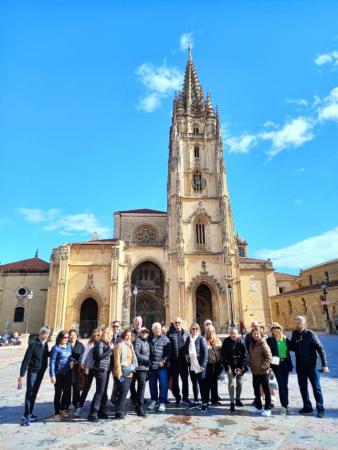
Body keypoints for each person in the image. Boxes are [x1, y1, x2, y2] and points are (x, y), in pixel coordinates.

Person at [289, 316, 329, 418]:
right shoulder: (295, 333)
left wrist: (325, 365)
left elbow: (320, 349)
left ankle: (320, 409)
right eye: (295, 322)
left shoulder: (310, 334)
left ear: (304, 323)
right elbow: (292, 347)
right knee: (303, 388)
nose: (296, 324)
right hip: (300, 367)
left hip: (312, 366)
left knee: (316, 388)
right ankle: (307, 406)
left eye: (298, 323)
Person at [18, 326, 50, 426]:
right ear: (40, 334)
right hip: (33, 371)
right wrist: (22, 374)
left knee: (34, 392)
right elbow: (26, 358)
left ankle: (30, 413)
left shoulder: (45, 344)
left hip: (40, 372)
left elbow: (45, 355)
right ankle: (26, 416)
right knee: (30, 392)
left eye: (47, 334)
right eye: (44, 334)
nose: (46, 336)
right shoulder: (33, 343)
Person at [88, 327, 114, 422]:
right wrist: (110, 350)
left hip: (106, 370)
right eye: (111, 335)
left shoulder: (107, 344)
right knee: (99, 392)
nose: (112, 337)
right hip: (100, 370)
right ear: (106, 335)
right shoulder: (100, 343)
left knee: (103, 392)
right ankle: (92, 413)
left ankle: (101, 411)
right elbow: (98, 357)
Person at [267, 323, 293, 415]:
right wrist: (268, 366)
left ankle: (285, 405)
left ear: (280, 329)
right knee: (281, 385)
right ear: (272, 331)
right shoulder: (269, 340)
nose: (276, 330)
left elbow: (293, 347)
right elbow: (267, 353)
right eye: (274, 328)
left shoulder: (285, 339)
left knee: (285, 386)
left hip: (285, 364)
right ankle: (284, 406)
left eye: (277, 328)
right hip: (275, 365)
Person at [113, 328, 138, 419]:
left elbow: (132, 359)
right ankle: (118, 413)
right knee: (122, 393)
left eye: (130, 336)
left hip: (129, 373)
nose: (129, 337)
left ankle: (120, 411)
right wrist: (119, 374)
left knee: (124, 392)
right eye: (127, 335)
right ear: (123, 336)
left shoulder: (130, 346)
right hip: (122, 374)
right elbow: (117, 361)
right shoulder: (119, 346)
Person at [221, 327, 247, 412]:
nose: (233, 335)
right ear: (229, 334)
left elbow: (245, 356)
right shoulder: (226, 342)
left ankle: (238, 399)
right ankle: (232, 402)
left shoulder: (241, 341)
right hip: (230, 366)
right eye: (231, 333)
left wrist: (241, 368)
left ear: (237, 334)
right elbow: (223, 356)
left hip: (240, 366)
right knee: (231, 384)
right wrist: (227, 368)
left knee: (240, 384)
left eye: (234, 333)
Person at [184, 323, 208, 412]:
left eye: (196, 329)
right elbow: (186, 349)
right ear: (190, 330)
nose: (194, 330)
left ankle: (204, 402)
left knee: (202, 384)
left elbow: (205, 353)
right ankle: (196, 400)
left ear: (198, 330)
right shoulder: (189, 339)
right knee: (194, 384)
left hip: (199, 365)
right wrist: (186, 355)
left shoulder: (201, 339)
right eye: (193, 329)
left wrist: (203, 365)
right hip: (192, 365)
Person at [50, 330, 73, 421]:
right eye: (65, 337)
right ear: (60, 338)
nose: (66, 339)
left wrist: (72, 361)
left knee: (66, 392)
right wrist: (52, 375)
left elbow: (71, 357)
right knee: (58, 393)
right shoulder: (55, 348)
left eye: (68, 337)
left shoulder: (69, 346)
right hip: (58, 374)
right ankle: (56, 413)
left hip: (67, 373)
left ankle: (62, 409)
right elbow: (52, 362)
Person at [249, 327, 273, 417]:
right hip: (255, 372)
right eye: (254, 334)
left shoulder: (263, 344)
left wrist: (264, 367)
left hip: (263, 372)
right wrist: (249, 363)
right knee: (256, 390)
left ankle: (267, 408)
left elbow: (269, 357)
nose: (256, 335)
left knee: (266, 391)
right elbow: (250, 355)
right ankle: (258, 406)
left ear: (260, 335)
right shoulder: (252, 344)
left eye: (257, 334)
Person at [167, 317, 190, 407]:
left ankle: (185, 397)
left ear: (181, 323)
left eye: (179, 322)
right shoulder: (170, 334)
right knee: (175, 381)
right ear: (174, 324)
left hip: (184, 361)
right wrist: (168, 360)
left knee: (185, 380)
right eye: (176, 323)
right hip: (174, 361)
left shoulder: (186, 334)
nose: (177, 324)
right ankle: (177, 397)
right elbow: (168, 348)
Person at [78, 328, 101, 414]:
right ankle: (79, 407)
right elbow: (85, 354)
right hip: (90, 368)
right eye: (94, 335)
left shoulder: (102, 343)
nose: (96, 337)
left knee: (100, 389)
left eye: (97, 335)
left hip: (99, 369)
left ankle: (98, 407)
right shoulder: (90, 344)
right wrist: (83, 363)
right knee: (86, 388)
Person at [148, 322, 170, 412]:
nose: (157, 330)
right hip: (152, 367)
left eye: (159, 328)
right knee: (152, 385)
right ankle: (154, 400)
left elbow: (169, 353)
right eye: (155, 328)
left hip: (162, 367)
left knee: (163, 385)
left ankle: (162, 402)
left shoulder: (165, 339)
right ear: (153, 330)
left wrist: (164, 361)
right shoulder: (149, 340)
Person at [66, 329, 85, 416]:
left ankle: (76, 403)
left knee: (76, 387)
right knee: (67, 387)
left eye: (74, 335)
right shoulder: (66, 344)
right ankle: (66, 403)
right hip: (67, 369)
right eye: (71, 335)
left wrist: (77, 362)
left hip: (77, 369)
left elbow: (83, 356)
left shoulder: (80, 345)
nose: (73, 336)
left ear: (77, 336)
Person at [134, 327, 151, 416]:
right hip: (140, 368)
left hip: (145, 368)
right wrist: (146, 360)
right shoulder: (138, 341)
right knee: (141, 387)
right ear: (140, 333)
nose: (145, 333)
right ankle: (140, 407)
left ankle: (137, 405)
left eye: (146, 332)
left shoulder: (146, 342)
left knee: (141, 387)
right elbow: (136, 353)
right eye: (143, 332)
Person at [205, 325, 222, 406]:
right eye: (209, 331)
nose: (211, 333)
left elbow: (221, 352)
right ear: (207, 332)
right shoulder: (204, 340)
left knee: (215, 383)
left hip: (216, 364)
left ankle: (214, 399)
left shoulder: (217, 340)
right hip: (208, 364)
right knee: (207, 383)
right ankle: (206, 400)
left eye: (212, 331)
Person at [130, 316, 143, 404]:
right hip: (131, 362)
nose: (138, 323)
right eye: (136, 322)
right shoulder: (130, 334)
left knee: (141, 382)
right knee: (131, 382)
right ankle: (134, 397)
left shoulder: (144, 333)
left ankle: (139, 398)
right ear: (134, 323)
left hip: (141, 362)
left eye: (139, 322)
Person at [110, 320, 121, 405]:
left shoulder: (122, 337)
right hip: (108, 361)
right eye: (114, 326)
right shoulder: (108, 336)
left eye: (117, 326)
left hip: (118, 361)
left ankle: (114, 398)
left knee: (117, 380)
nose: (115, 328)